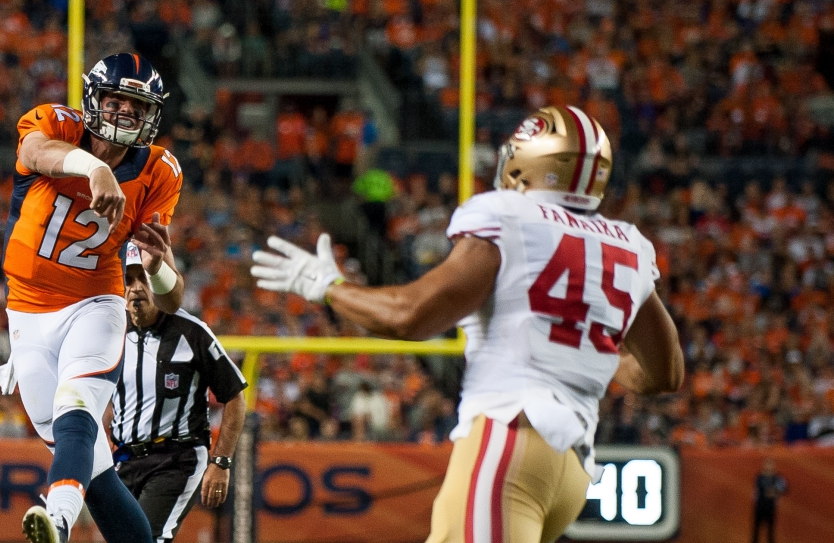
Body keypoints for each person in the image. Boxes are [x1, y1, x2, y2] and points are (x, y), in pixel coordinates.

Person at [251, 105, 685, 543]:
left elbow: (410, 316)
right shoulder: (627, 243)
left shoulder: (508, 215)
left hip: (509, 439)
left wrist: (327, 286)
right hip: (571, 467)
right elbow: (664, 373)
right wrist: (580, 351)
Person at [0, 52, 186, 543]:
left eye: (134, 106)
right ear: (93, 100)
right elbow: (36, 153)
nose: (122, 113)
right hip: (27, 310)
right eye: (115, 100)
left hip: (96, 303)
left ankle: (57, 518)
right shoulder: (56, 123)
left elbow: (168, 298)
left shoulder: (160, 171)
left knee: (75, 406)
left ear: (151, 116)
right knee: (90, 464)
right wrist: (94, 169)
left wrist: (160, 268)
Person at [107, 242, 247, 543]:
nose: (135, 288)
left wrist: (221, 461)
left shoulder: (191, 331)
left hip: (176, 458)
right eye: (129, 280)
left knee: (147, 539)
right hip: (125, 459)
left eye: (143, 278)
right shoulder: (111, 331)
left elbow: (235, 395)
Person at [752, 458, 787, 543]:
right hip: (760, 507)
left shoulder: (777, 478)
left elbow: (784, 489)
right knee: (756, 530)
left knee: (770, 531)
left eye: (771, 464)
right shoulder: (760, 477)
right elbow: (760, 489)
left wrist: (775, 492)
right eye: (767, 464)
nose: (769, 466)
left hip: (770, 507)